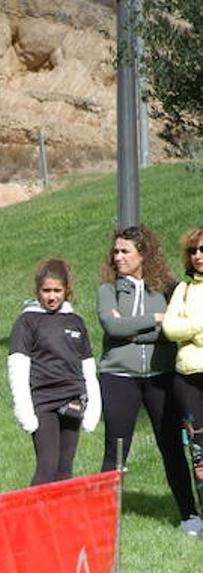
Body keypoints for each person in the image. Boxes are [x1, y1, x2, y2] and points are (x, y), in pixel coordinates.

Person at [96, 225, 202, 535]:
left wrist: (136, 328)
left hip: (162, 377)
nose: (118, 257)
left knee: (171, 446)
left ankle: (189, 515)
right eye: (115, 251)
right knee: (116, 449)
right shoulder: (107, 289)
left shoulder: (168, 288)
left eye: (125, 251)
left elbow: (174, 330)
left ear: (143, 254)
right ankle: (103, 518)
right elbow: (112, 329)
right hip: (118, 376)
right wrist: (156, 321)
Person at [7, 259, 101, 486]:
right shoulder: (27, 321)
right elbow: (17, 367)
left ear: (67, 290)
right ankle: (32, 520)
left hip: (73, 399)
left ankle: (60, 521)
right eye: (46, 290)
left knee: (65, 470)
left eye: (57, 290)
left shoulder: (75, 322)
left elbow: (87, 366)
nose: (51, 296)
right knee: (47, 468)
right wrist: (24, 410)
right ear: (37, 290)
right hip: (44, 402)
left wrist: (93, 407)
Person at [161, 226, 203, 513]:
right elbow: (168, 327)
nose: (198, 255)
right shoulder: (184, 289)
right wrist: (198, 328)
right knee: (199, 452)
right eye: (193, 250)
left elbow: (180, 329)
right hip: (187, 379)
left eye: (202, 249)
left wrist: (189, 333)